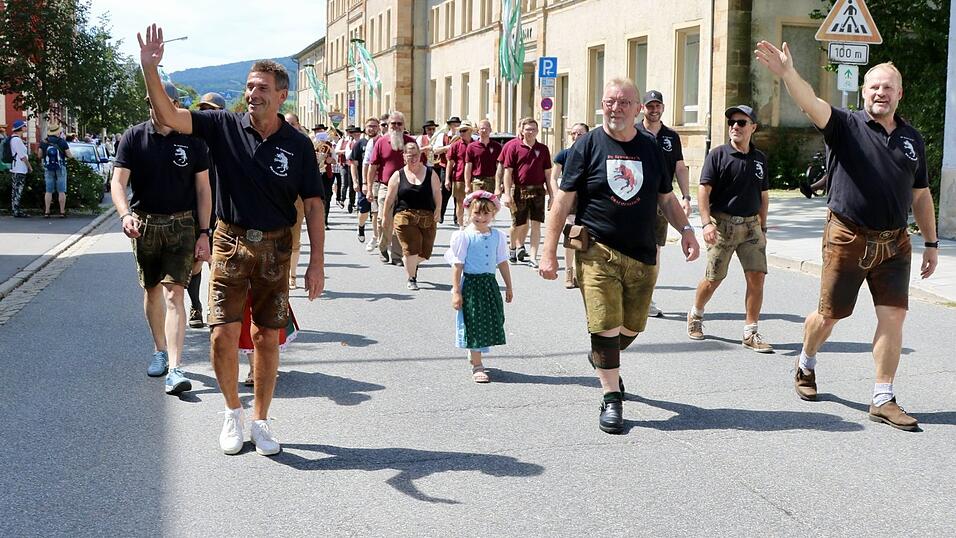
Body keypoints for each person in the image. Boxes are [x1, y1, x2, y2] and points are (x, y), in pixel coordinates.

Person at [139, 24, 326, 456]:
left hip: (276, 249)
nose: (253, 93)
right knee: (222, 335)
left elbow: (314, 205)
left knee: (266, 338)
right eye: (249, 86)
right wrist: (150, 69)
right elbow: (169, 116)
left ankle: (260, 420)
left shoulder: (298, 145)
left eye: (262, 87)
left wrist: (316, 262)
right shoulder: (222, 125)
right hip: (230, 243)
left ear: (282, 95)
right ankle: (231, 413)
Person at [756, 42, 939, 430]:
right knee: (829, 316)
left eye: (888, 87)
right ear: (864, 92)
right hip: (848, 237)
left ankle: (882, 397)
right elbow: (810, 102)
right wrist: (789, 73)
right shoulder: (844, 125)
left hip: (895, 243)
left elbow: (921, 195)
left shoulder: (912, 139)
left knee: (894, 317)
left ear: (899, 94)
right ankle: (806, 362)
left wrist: (931, 243)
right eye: (874, 87)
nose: (880, 93)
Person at [539, 78, 700, 434]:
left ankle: (601, 354)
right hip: (597, 250)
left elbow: (666, 198)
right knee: (605, 323)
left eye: (625, 102)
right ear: (602, 105)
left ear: (638, 109)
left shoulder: (651, 149)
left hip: (642, 254)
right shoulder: (587, 145)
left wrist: (687, 230)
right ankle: (612, 397)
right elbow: (563, 201)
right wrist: (548, 251)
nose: (616, 108)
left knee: (631, 327)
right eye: (610, 102)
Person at [109, 80, 212, 396]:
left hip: (182, 225)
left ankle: (176, 368)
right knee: (152, 290)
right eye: (152, 101)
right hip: (145, 225)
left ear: (176, 105)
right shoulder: (134, 137)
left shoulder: (192, 140)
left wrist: (204, 232)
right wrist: (125, 215)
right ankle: (159, 350)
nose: (156, 106)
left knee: (174, 295)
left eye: (163, 101)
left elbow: (203, 189)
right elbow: (118, 182)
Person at [686, 104, 772, 353]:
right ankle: (695, 314)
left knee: (757, 277)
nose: (735, 126)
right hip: (723, 226)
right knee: (713, 278)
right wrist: (706, 223)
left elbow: (764, 195)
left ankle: (750, 332)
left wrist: (763, 227)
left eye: (741, 122)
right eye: (731, 122)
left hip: (752, 227)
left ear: (753, 127)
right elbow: (704, 190)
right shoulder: (718, 155)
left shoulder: (759, 159)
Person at [445, 191, 514, 383]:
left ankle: (474, 352)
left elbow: (502, 262)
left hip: (489, 285)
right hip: (472, 285)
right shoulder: (464, 236)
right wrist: (456, 291)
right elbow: (458, 265)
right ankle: (477, 365)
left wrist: (509, 286)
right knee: (474, 323)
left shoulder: (497, 236)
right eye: (477, 213)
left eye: (486, 213)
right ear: (469, 212)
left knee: (490, 320)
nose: (481, 218)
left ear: (493, 214)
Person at [637, 90, 693, 317]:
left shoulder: (671, 136)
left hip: (662, 202)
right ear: (642, 108)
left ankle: (646, 298)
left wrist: (686, 197)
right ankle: (632, 294)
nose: (654, 110)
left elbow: (680, 167)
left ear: (662, 108)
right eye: (650, 106)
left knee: (655, 249)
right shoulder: (634, 132)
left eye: (657, 106)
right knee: (633, 246)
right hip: (635, 200)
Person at [187, 92, 227, 328]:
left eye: (210, 110)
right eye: (202, 110)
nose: (205, 114)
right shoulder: (192, 140)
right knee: (196, 261)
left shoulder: (230, 141)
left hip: (223, 211)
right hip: (197, 210)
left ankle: (216, 308)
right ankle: (196, 306)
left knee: (220, 264)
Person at [381, 142, 442, 290]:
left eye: (415, 155)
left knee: (426, 252)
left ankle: (409, 262)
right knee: (411, 248)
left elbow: (436, 192)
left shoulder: (430, 173)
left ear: (420, 155)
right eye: (409, 155)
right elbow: (389, 198)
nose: (413, 158)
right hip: (404, 215)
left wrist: (438, 209)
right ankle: (411, 278)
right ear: (404, 157)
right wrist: (385, 217)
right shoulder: (398, 175)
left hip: (427, 215)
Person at [368, 111, 419, 265]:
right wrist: (368, 187)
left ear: (404, 125)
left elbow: (419, 165)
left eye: (399, 124)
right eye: (393, 124)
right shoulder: (381, 142)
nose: (396, 126)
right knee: (383, 220)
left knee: (401, 222)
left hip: (406, 188)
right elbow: (373, 166)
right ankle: (383, 246)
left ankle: (397, 255)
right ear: (388, 125)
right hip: (385, 187)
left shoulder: (411, 142)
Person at [500, 117, 552, 268]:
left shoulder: (543, 149)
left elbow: (548, 174)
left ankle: (533, 257)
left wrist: (552, 195)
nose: (530, 132)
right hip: (519, 190)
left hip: (538, 190)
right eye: (528, 129)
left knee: (536, 224)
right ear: (522, 131)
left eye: (533, 129)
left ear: (537, 131)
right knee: (518, 224)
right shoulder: (514, 147)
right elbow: (508, 172)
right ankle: (512, 248)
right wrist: (507, 194)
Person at [548, 122, 589, 288]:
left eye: (580, 133)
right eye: (573, 133)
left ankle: (582, 272)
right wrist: (556, 195)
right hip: (570, 197)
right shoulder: (564, 154)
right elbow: (553, 178)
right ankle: (569, 272)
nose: (576, 136)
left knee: (588, 235)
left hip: (589, 198)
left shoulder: (592, 153)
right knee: (572, 234)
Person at [349, 117, 380, 244]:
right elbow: (353, 164)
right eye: (369, 126)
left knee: (377, 211)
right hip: (364, 183)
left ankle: (377, 237)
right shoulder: (360, 144)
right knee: (364, 211)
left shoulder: (381, 141)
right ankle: (361, 226)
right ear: (365, 128)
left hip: (378, 182)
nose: (372, 129)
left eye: (374, 126)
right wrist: (355, 181)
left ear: (378, 128)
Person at [431, 116, 462, 224]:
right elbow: (435, 150)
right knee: (444, 193)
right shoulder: (443, 136)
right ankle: (440, 215)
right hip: (445, 167)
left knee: (458, 194)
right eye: (454, 125)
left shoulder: (462, 137)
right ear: (450, 126)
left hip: (459, 168)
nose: (456, 127)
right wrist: (449, 147)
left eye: (458, 125)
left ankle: (457, 218)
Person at [445, 120, 475, 228]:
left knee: (474, 203)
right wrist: (447, 179)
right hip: (459, 177)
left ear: (470, 131)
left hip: (474, 178)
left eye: (464, 130)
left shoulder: (476, 144)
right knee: (460, 202)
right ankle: (461, 225)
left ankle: (472, 224)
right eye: (460, 131)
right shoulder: (456, 145)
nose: (461, 133)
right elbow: (450, 163)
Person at [38, 125, 72, 218]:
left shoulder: (44, 142)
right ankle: (62, 212)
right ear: (58, 132)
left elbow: (39, 155)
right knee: (61, 191)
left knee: (48, 191)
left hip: (48, 168)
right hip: (60, 167)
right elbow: (69, 155)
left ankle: (47, 211)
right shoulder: (62, 142)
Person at [464, 119, 503, 197]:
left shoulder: (497, 146)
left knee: (491, 204)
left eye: (486, 128)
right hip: (477, 181)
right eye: (482, 128)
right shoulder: (471, 147)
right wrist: (467, 185)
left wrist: (500, 184)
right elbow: (468, 167)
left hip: (493, 181)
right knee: (478, 204)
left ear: (490, 130)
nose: (484, 130)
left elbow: (500, 167)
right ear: (478, 131)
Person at [7, 120, 32, 218]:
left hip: (16, 167)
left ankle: (15, 209)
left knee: (16, 189)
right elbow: (23, 156)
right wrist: (29, 167)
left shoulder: (14, 139)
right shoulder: (17, 140)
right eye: (24, 126)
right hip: (19, 168)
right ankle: (16, 210)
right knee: (18, 189)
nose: (26, 127)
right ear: (20, 128)